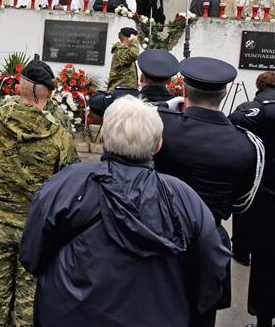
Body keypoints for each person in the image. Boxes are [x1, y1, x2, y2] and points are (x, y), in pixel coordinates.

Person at [20, 96, 229, 327]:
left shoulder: (67, 185)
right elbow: (212, 267)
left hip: (70, 312)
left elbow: (32, 255)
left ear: (102, 137)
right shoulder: (184, 198)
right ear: (158, 144)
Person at [155, 57, 264, 327]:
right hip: (209, 241)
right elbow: (242, 203)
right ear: (225, 94)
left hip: (158, 233)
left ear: (183, 91)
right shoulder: (246, 143)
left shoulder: (161, 127)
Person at [0, 59, 79, 327]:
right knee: (28, 296)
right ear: (50, 94)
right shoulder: (59, 135)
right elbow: (70, 181)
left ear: (19, 88)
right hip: (37, 227)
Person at [228, 78, 274, 327]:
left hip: (263, 190)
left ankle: (263, 321)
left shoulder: (256, 109)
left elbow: (233, 121)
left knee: (264, 261)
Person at [89, 48, 178, 116]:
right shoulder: (178, 105)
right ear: (170, 81)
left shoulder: (123, 98)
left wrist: (109, 95)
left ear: (141, 78)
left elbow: (94, 102)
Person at [106, 27, 140, 91]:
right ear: (128, 39)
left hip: (124, 90)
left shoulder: (124, 51)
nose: (136, 41)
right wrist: (134, 41)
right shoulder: (121, 51)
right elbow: (134, 54)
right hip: (120, 91)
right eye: (134, 39)